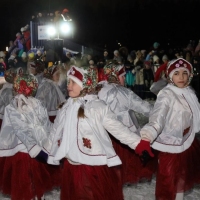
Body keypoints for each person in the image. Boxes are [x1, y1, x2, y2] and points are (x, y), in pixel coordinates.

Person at [47, 65, 154, 200]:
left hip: (92, 165)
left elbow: (118, 128)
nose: (68, 85)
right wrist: (46, 148)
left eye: (73, 82)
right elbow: (55, 130)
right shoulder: (66, 107)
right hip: (72, 165)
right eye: (68, 81)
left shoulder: (97, 107)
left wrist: (138, 144)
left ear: (85, 84)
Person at [140, 58, 200, 200]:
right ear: (170, 76)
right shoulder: (167, 94)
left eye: (185, 73)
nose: (181, 77)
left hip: (187, 141)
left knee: (182, 175)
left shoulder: (189, 92)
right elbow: (158, 116)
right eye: (177, 73)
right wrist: (148, 134)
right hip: (169, 144)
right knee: (167, 178)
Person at [0, 74, 61, 200]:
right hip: (24, 151)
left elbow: (46, 124)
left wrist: (53, 141)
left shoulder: (37, 103)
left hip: (39, 149)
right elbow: (21, 129)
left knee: (37, 183)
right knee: (25, 184)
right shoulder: (13, 107)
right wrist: (35, 148)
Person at [98, 60, 156, 184]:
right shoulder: (123, 92)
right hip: (125, 131)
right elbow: (142, 106)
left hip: (105, 133)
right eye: (123, 76)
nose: (124, 79)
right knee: (128, 157)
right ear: (116, 76)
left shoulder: (99, 89)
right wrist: (157, 114)